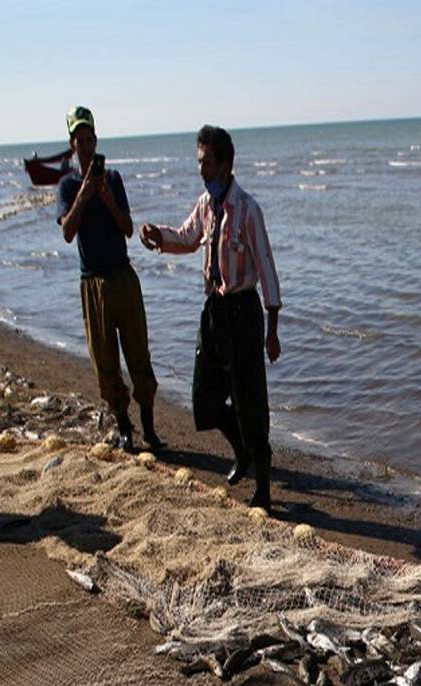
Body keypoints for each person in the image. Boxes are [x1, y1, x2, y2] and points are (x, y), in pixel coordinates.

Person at [139, 125, 282, 509]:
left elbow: (267, 269)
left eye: (207, 163)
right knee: (204, 400)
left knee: (250, 401)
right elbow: (187, 238)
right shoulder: (207, 204)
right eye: (200, 162)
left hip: (244, 313)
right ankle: (244, 450)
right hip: (215, 312)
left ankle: (263, 488)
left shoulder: (248, 210)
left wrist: (273, 331)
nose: (202, 170)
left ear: (226, 163)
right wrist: (158, 236)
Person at [56, 105, 163, 452]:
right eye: (80, 141)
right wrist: (85, 197)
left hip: (122, 277)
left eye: (91, 139)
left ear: (96, 140)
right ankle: (124, 427)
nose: (87, 147)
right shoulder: (67, 185)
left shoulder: (113, 179)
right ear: (72, 145)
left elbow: (128, 228)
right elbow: (68, 232)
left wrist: (107, 200)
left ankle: (149, 427)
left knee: (139, 353)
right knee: (106, 362)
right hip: (93, 283)